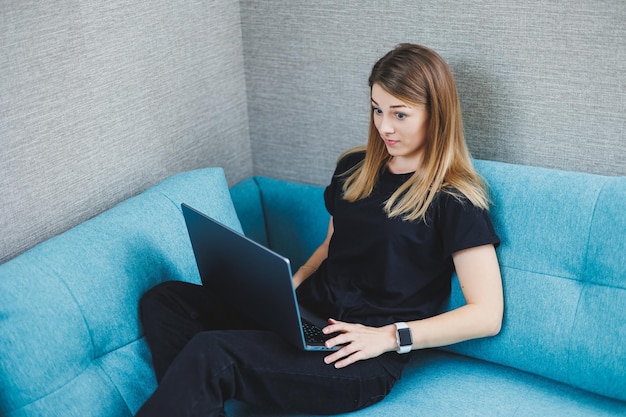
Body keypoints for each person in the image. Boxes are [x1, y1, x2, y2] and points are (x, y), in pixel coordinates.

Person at [136, 43, 503, 417]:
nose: (384, 126)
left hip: (358, 354)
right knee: (165, 301)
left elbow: (487, 314)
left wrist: (389, 337)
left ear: (435, 115)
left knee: (212, 354)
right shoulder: (354, 168)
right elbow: (333, 244)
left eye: (400, 114)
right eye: (377, 109)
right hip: (303, 318)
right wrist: (294, 280)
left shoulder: (455, 199)